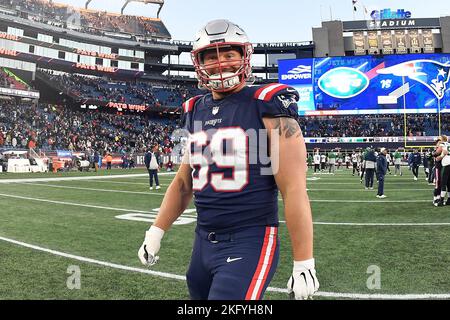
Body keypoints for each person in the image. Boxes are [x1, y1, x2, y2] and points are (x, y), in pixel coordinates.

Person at [138, 19, 319, 300]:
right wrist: (155, 231)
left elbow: (294, 188)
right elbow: (185, 183)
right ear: (198, 63)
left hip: (250, 239)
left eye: (228, 54)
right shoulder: (195, 109)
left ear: (244, 57)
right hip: (203, 242)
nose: (219, 62)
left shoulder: (267, 102)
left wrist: (304, 260)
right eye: (210, 56)